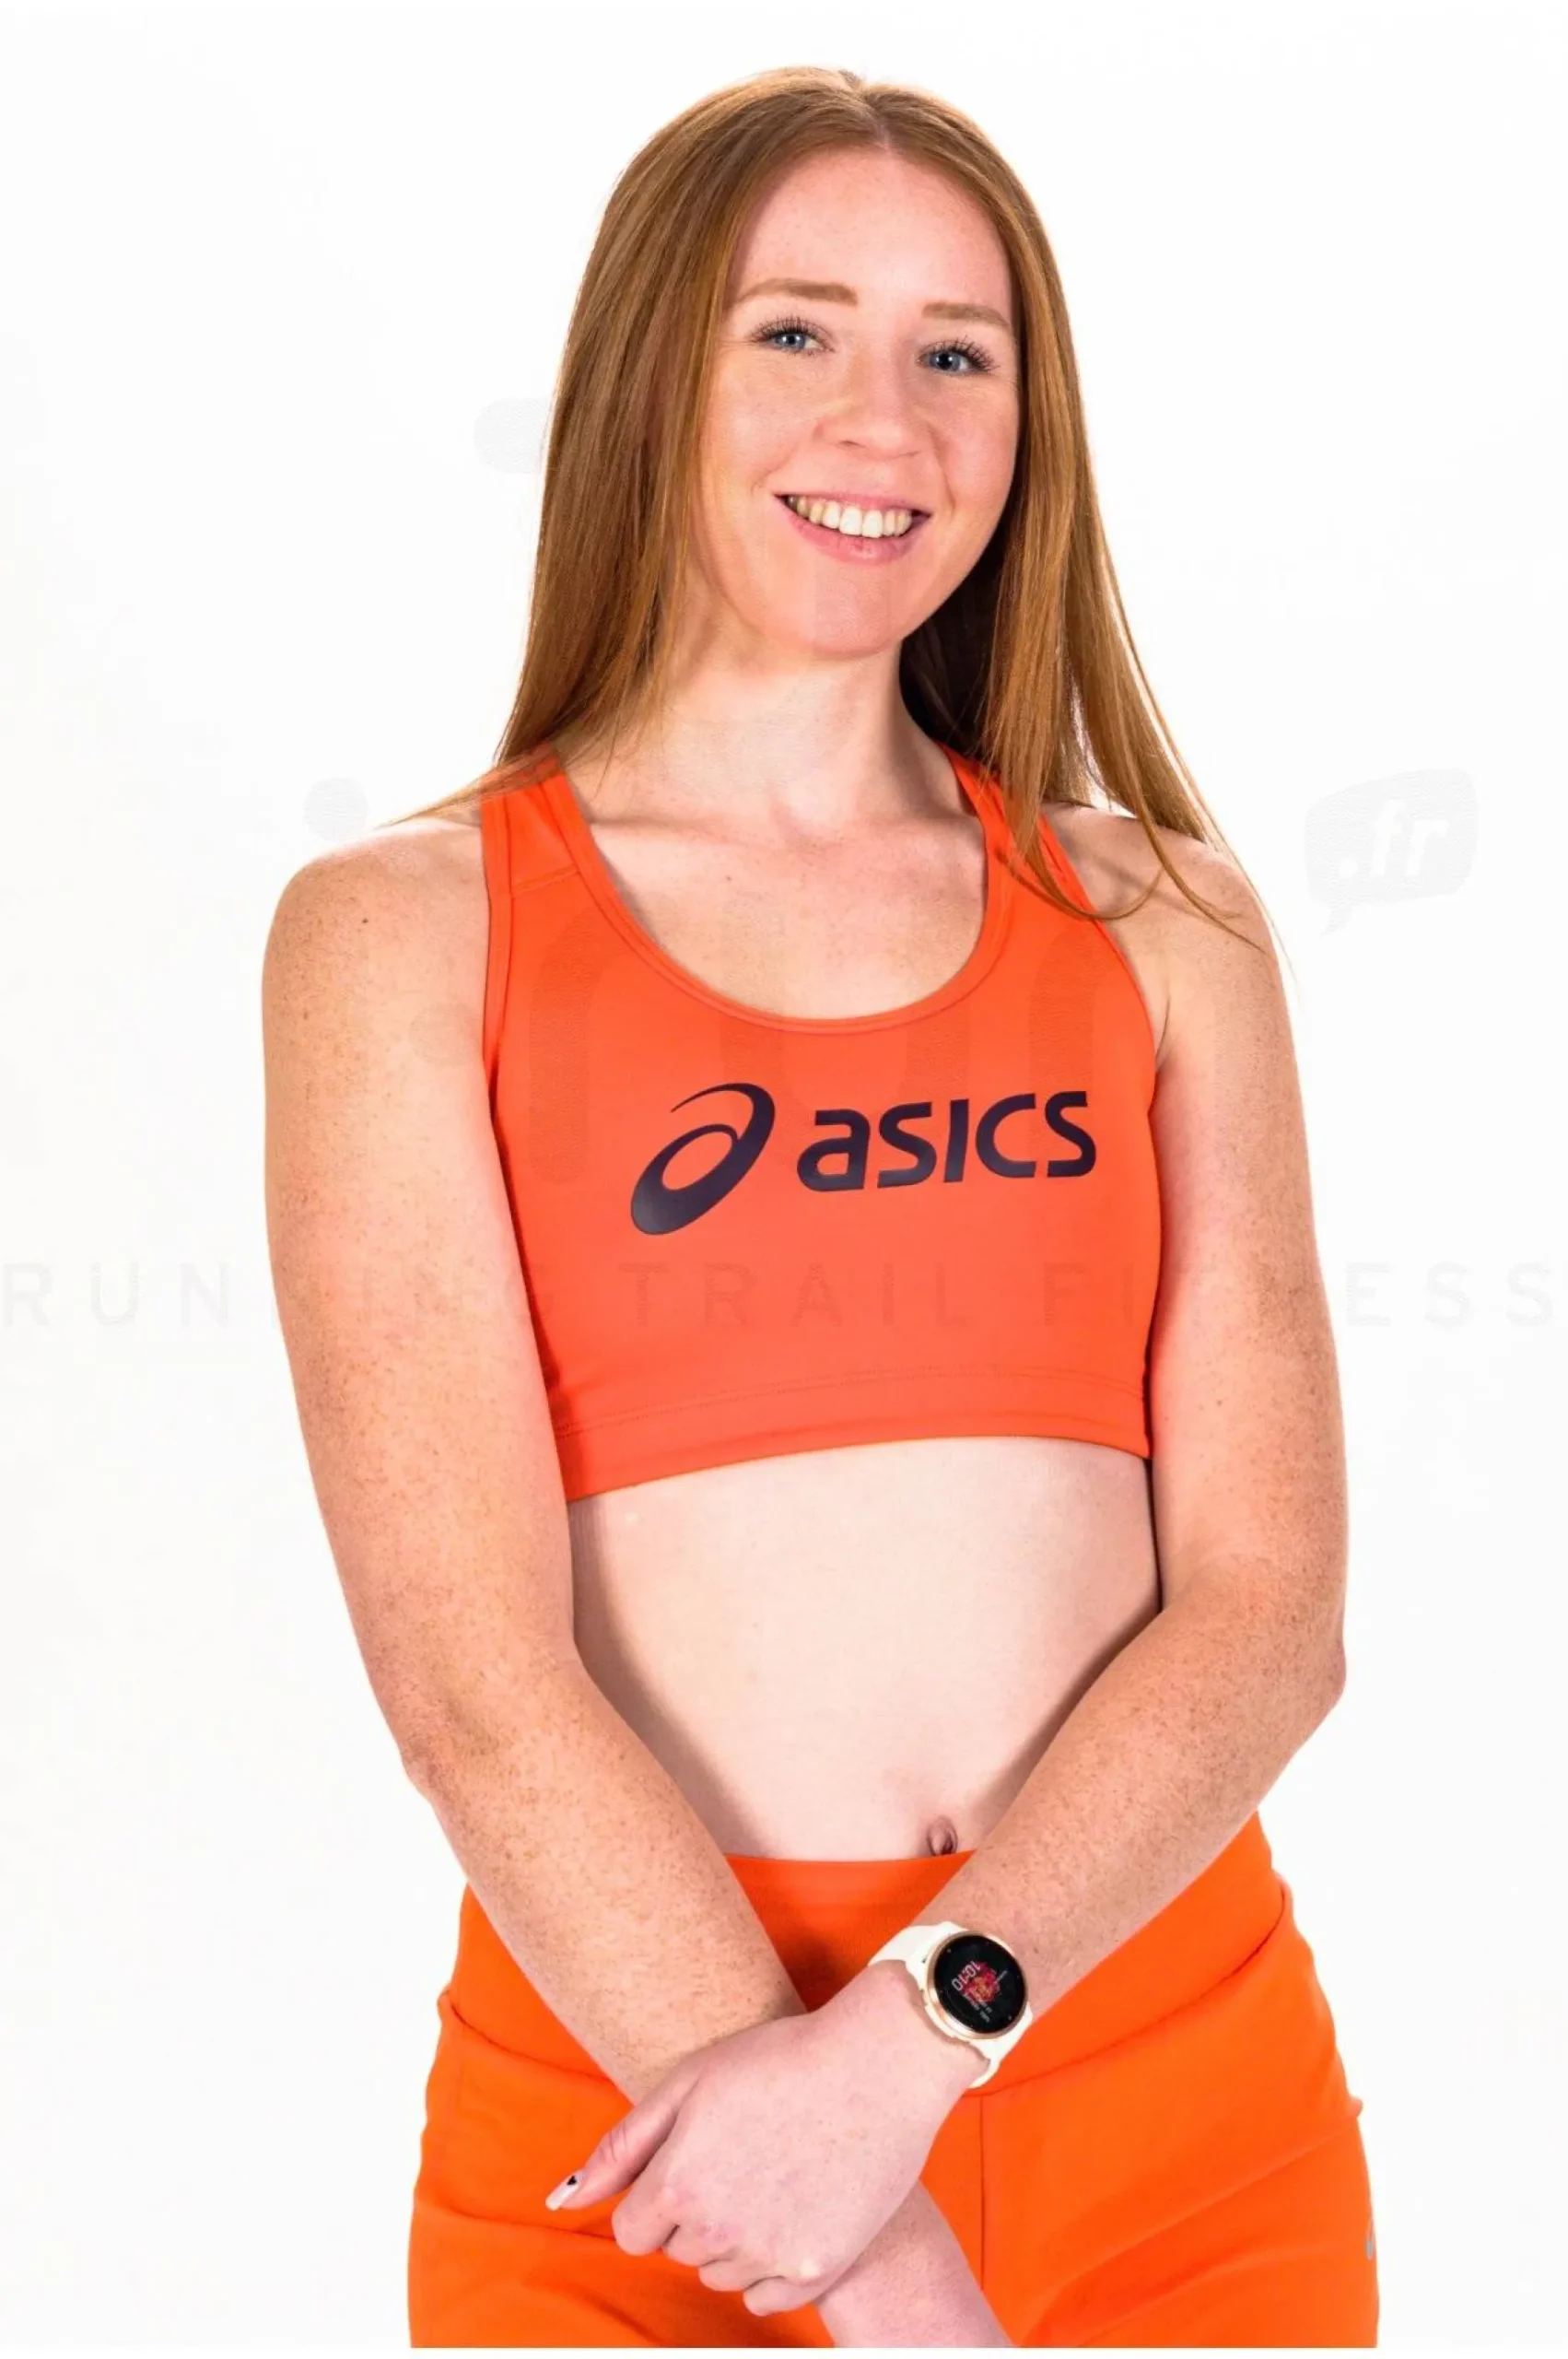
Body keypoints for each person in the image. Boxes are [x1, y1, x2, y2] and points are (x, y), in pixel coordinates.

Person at [263, 64, 1379, 2349]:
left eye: (956, 352)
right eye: (793, 330)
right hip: (652, 2127)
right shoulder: (406, 931)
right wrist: (870, 2247)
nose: (883, 420)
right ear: (647, 376)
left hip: (1173, 2091)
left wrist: (910, 2037)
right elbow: (467, 1677)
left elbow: (1270, 1610)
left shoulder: (1159, 918)